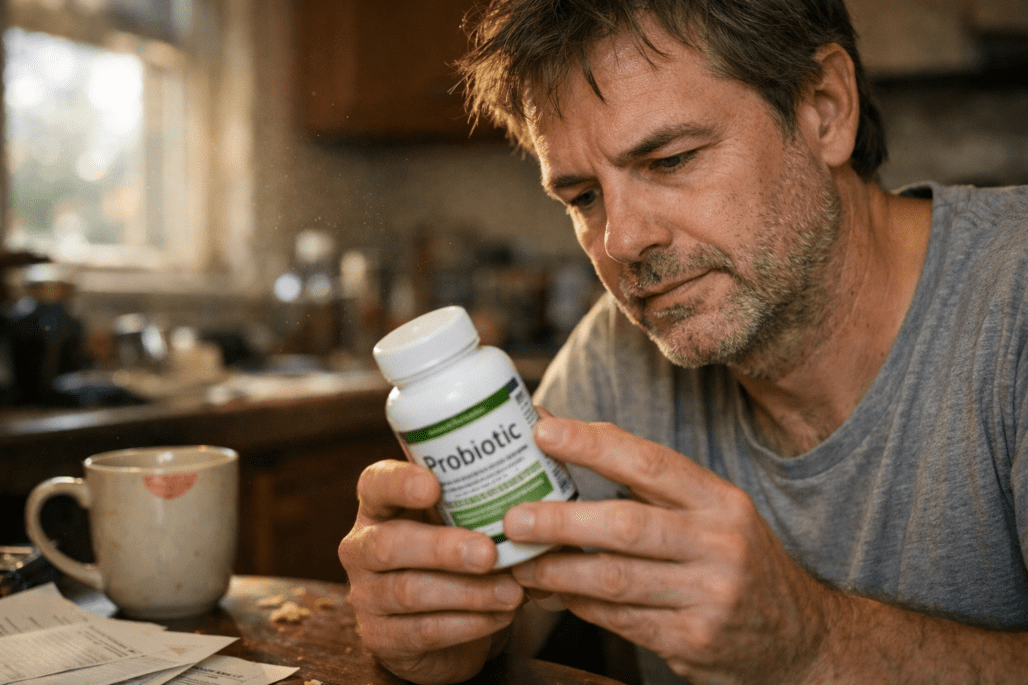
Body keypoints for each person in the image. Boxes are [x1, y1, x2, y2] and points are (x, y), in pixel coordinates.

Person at [338, 1, 1028, 683]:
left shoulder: (1014, 297)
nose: (621, 241)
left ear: (825, 109)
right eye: (583, 198)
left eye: (670, 160)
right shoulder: (618, 352)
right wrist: (442, 628)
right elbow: (509, 613)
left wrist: (815, 641)